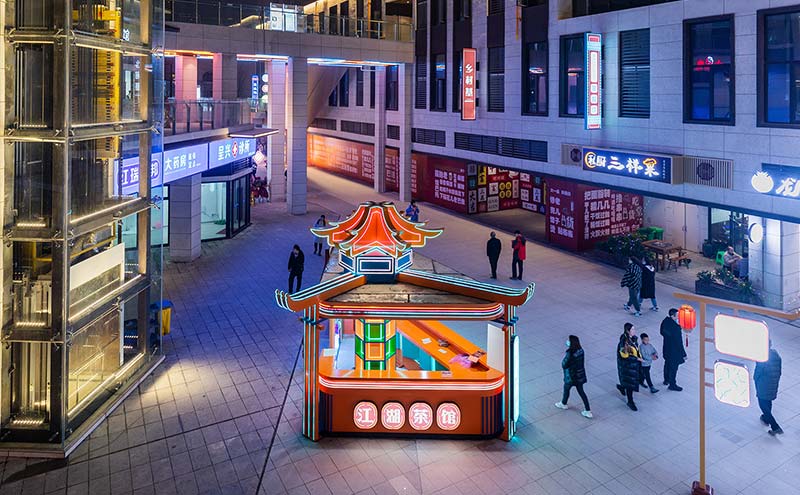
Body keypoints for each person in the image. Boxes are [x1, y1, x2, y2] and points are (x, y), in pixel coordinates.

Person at [555, 335, 592, 419]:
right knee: (581, 392)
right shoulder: (581, 351)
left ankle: (563, 403)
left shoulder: (570, 353)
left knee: (566, 389)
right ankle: (588, 410)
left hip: (571, 376)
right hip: (579, 375)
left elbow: (564, 364)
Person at [754, 341, 783, 435]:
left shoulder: (762, 357)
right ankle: (766, 418)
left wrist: (756, 381)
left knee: (763, 405)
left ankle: (775, 427)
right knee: (768, 401)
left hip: (764, 384)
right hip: (773, 382)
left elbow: (757, 373)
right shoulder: (775, 354)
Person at [616, 322, 642, 411]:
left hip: (633, 365)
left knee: (629, 382)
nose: (634, 331)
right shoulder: (624, 342)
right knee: (630, 384)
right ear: (628, 331)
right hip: (627, 366)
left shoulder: (633, 339)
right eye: (632, 329)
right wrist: (636, 359)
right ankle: (630, 402)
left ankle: (622, 387)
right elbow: (624, 356)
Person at [660, 308, 686, 391]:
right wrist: (683, 354)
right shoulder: (675, 328)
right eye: (677, 315)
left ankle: (666, 379)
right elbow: (679, 342)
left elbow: (662, 332)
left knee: (667, 364)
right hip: (674, 352)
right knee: (674, 368)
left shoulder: (665, 322)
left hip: (666, 348)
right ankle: (672, 384)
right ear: (672, 316)